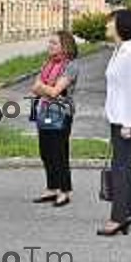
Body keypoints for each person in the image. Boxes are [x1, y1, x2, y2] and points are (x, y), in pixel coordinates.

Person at [97, 9, 131, 236]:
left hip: (129, 120)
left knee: (120, 168)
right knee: (125, 167)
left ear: (122, 26)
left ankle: (118, 217)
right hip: (119, 118)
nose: (107, 26)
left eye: (111, 22)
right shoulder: (120, 50)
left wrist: (128, 124)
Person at [31, 31, 79, 207]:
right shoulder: (48, 64)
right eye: (49, 43)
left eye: (54, 43)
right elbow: (34, 88)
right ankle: (52, 187)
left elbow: (54, 91)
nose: (49, 46)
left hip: (62, 114)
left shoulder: (71, 66)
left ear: (65, 46)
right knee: (46, 152)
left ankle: (64, 190)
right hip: (44, 111)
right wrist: (46, 88)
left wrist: (44, 88)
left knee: (59, 153)